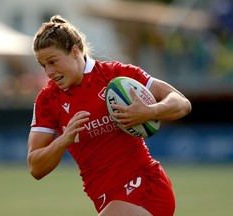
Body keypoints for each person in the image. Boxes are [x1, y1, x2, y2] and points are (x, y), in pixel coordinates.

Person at [27, 15, 192, 216]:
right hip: (104, 198)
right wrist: (63, 140)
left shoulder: (115, 76)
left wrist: (149, 111)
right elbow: (35, 167)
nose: (49, 72)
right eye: (42, 65)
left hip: (146, 187)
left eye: (53, 61)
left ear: (75, 51)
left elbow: (181, 103)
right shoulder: (47, 100)